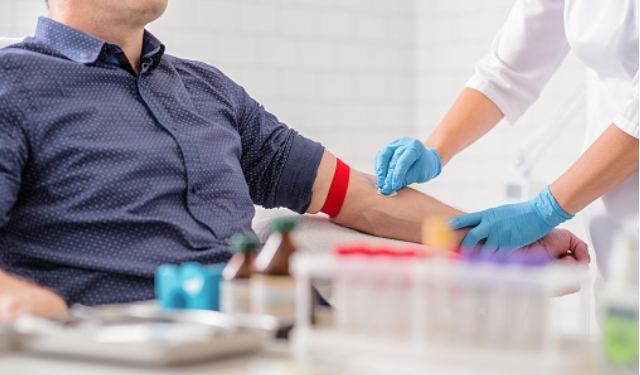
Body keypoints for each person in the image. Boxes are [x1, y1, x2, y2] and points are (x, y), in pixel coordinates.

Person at [0, 0, 590, 323]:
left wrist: (490, 241)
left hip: (277, 337)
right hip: (127, 348)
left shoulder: (210, 92)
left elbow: (358, 200)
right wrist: (21, 304)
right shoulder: (13, 86)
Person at [375, 1, 638, 266]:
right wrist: (435, 148)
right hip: (609, 217)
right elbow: (507, 72)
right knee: (617, 297)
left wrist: (544, 209)